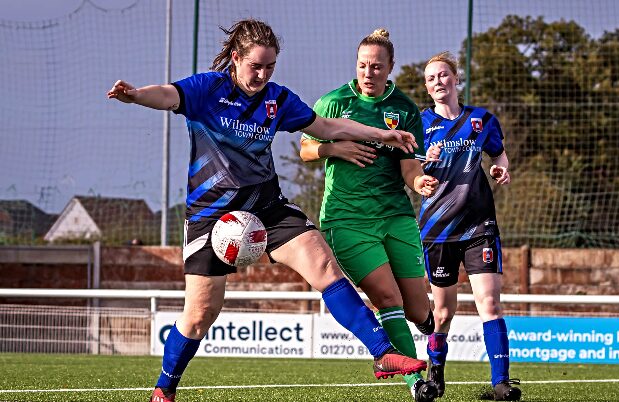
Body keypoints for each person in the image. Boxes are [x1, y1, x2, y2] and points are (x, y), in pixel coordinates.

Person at [107, 19, 427, 402]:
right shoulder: (208, 88)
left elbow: (324, 125)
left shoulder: (277, 99)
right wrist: (137, 95)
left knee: (323, 264)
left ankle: (383, 353)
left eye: (270, 67)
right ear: (236, 58)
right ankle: (165, 387)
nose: (262, 74)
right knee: (200, 314)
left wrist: (383, 134)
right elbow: (167, 95)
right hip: (211, 216)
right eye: (255, 66)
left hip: (267, 208)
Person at [300, 29, 440, 402]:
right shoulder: (333, 102)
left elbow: (409, 166)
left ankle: (429, 328)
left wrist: (420, 181)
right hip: (347, 220)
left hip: (395, 215)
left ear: (390, 68)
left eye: (376, 66)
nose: (368, 72)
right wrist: (335, 149)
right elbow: (305, 149)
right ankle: (417, 384)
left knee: (417, 308)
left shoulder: (406, 109)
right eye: (362, 65)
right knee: (386, 298)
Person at [419, 52, 521, 401]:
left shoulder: (481, 120)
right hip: (437, 229)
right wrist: (421, 170)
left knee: (489, 303)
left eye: (444, 75)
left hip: (479, 224)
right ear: (427, 86)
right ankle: (435, 376)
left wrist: (500, 168)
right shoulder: (418, 125)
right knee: (443, 312)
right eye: (431, 77)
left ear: (456, 79)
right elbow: (408, 172)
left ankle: (502, 383)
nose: (438, 82)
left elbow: (499, 154)